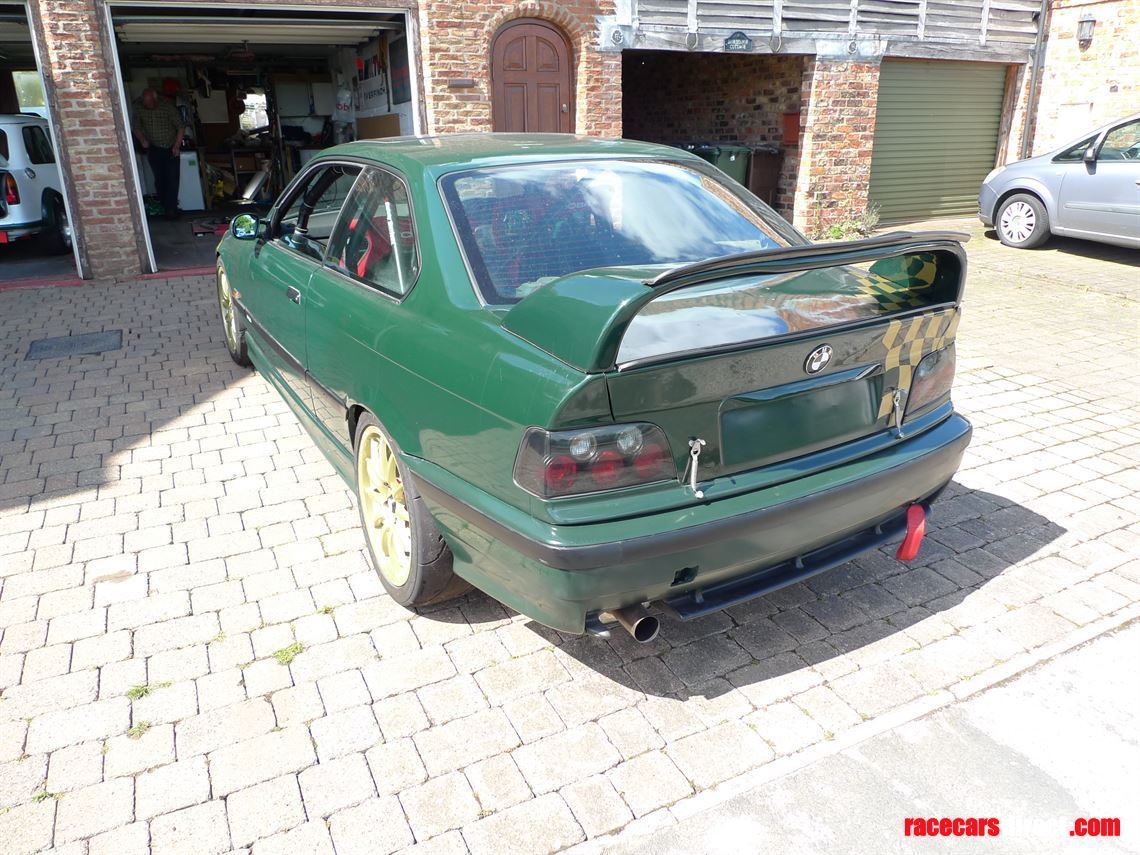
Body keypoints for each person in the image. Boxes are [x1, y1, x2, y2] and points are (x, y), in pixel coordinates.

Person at [131, 88, 183, 219]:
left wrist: (177, 146)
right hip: (154, 148)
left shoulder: (167, 106)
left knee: (172, 179)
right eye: (145, 102)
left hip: (171, 147)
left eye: (150, 102)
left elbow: (180, 126)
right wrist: (142, 140)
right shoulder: (139, 107)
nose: (147, 105)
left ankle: (171, 209)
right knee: (159, 180)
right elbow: (136, 127)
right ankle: (166, 207)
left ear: (156, 99)